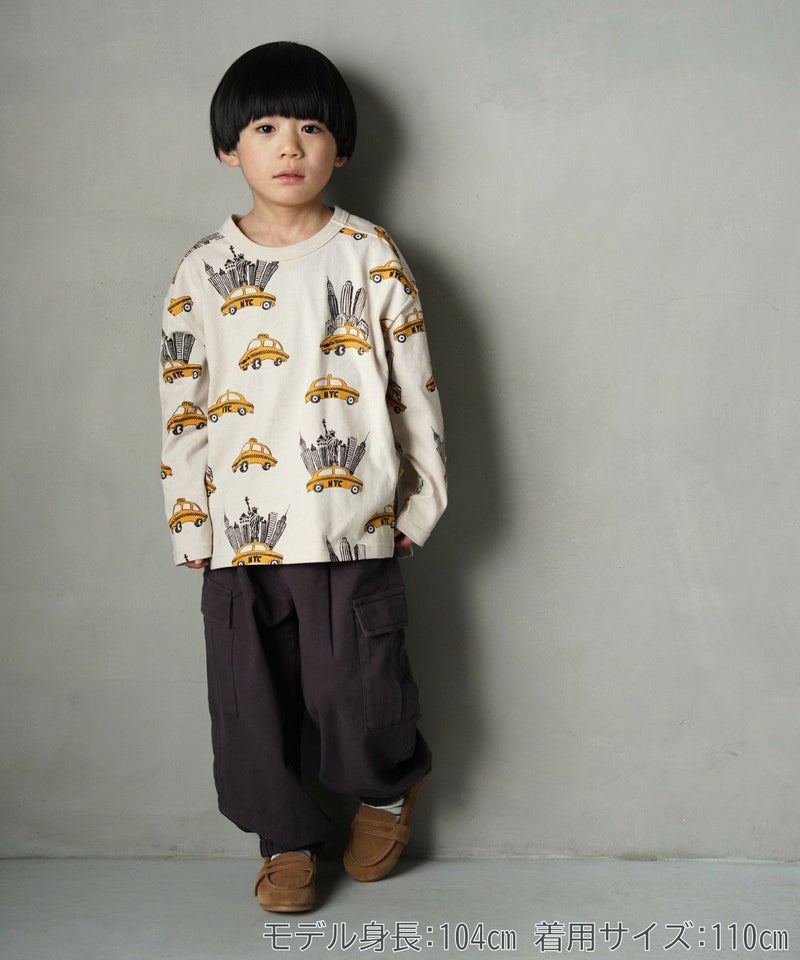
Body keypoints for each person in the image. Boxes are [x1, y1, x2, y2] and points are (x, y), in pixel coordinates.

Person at [158, 41, 448, 913]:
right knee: (249, 705)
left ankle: (384, 793)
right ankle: (283, 839)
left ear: (340, 147)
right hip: (239, 534)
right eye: (265, 128)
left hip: (348, 522)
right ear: (229, 147)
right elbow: (183, 403)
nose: (289, 146)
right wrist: (189, 519)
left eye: (311, 128)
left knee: (359, 689)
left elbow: (415, 389)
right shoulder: (202, 271)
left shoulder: (368, 254)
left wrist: (418, 506)